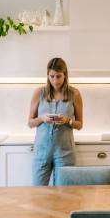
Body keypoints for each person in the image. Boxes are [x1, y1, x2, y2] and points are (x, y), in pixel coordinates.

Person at [28, 57, 83, 186]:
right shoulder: (39, 93)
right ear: (47, 75)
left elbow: (79, 124)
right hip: (41, 152)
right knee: (39, 194)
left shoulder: (74, 94)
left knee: (64, 196)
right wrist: (42, 118)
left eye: (58, 76)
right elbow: (30, 122)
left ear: (65, 75)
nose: (55, 81)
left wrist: (67, 120)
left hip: (65, 152)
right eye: (51, 76)